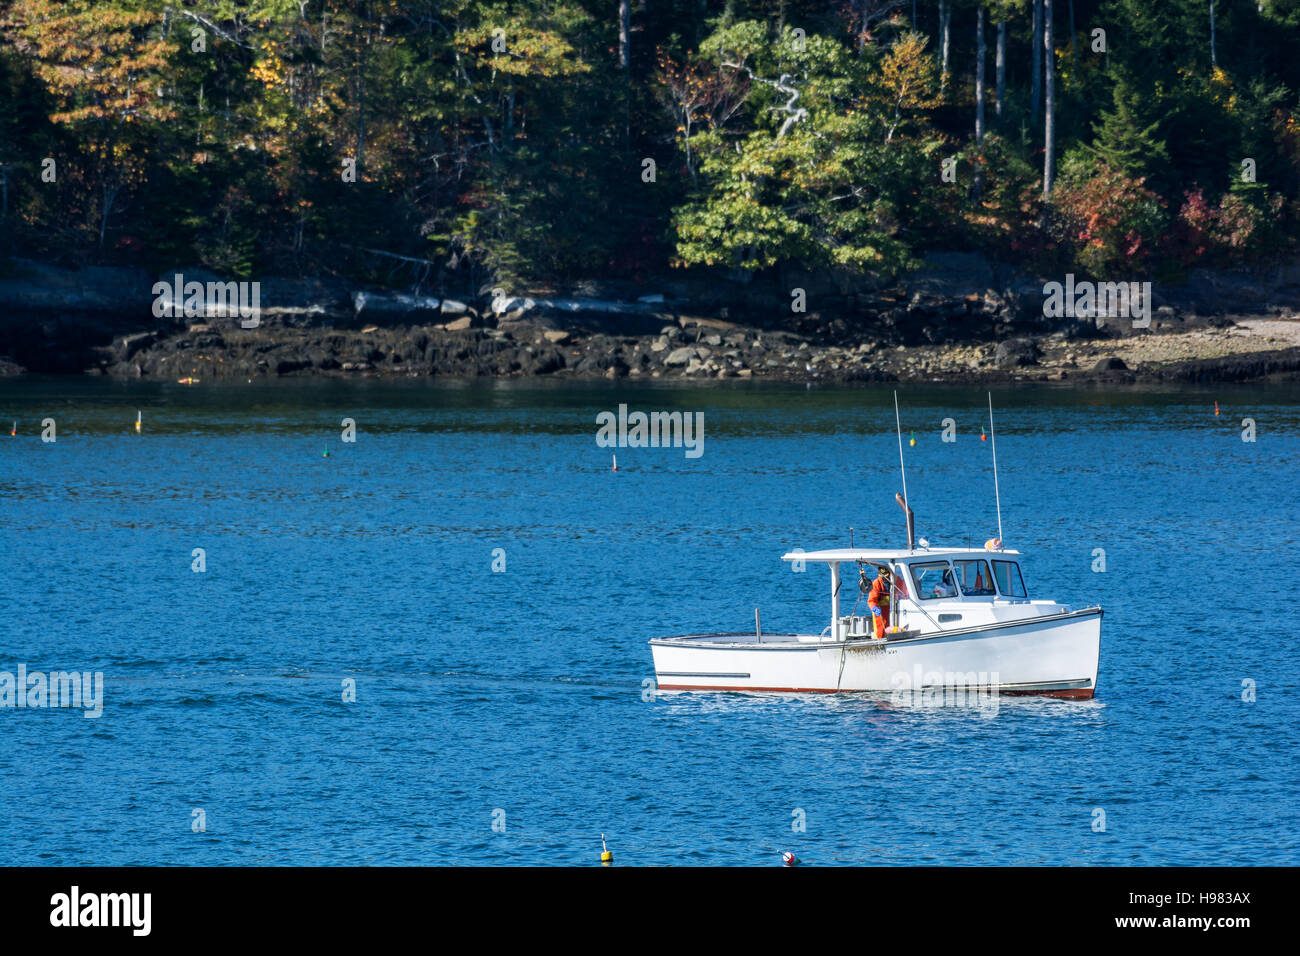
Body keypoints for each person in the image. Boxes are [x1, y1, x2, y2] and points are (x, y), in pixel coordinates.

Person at [867, 566, 894, 639]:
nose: (885, 579)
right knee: (880, 631)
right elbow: (871, 600)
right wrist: (874, 608)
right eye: (883, 577)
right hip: (880, 612)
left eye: (887, 576)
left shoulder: (895, 580)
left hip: (893, 610)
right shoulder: (876, 583)